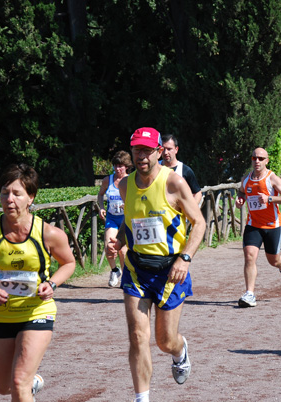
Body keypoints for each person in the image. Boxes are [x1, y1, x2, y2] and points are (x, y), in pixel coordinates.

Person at [107, 127, 206, 401]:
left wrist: (185, 258)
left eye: (148, 151)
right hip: (137, 270)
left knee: (164, 341)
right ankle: (142, 398)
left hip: (171, 271)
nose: (142, 157)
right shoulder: (124, 185)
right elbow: (132, 221)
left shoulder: (173, 182)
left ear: (159, 152)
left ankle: (180, 350)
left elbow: (199, 223)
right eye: (137, 150)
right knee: (138, 337)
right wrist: (120, 239)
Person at [0, 163, 76, 401]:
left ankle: (25, 383)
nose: (9, 199)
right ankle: (30, 382)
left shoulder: (48, 233)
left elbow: (69, 263)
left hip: (37, 311)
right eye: (5, 192)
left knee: (18, 382)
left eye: (17, 193)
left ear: (31, 197)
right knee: (4, 386)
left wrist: (53, 284)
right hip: (0, 315)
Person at [235, 148, 281, 308]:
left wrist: (270, 198)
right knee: (249, 256)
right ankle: (249, 294)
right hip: (253, 225)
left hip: (272, 226)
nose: (257, 161)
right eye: (254, 158)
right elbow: (241, 193)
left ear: (266, 161)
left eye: (261, 158)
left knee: (273, 260)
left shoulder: (272, 179)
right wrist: (240, 200)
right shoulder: (246, 179)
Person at [98, 150, 132, 287]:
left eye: (121, 166)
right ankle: (114, 270)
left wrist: (128, 205)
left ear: (127, 166)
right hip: (112, 218)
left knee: (123, 251)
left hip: (126, 219)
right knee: (109, 247)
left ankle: (126, 278)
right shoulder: (108, 180)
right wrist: (101, 207)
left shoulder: (131, 180)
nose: (118, 169)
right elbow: (100, 195)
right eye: (116, 166)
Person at [159, 134, 203, 206]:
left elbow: (197, 193)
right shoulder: (154, 168)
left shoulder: (185, 170)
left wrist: (191, 209)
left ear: (176, 149)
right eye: (163, 149)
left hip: (179, 215)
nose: (165, 152)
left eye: (169, 149)